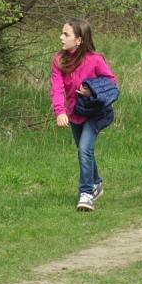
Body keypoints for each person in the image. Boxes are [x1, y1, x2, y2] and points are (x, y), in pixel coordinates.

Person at [51, 19, 117, 212]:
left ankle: (86, 194)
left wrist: (91, 90)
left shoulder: (95, 59)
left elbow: (111, 83)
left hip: (97, 114)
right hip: (75, 113)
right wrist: (60, 111)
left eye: (66, 34)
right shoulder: (59, 60)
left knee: (84, 148)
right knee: (84, 150)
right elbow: (56, 88)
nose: (61, 37)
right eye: (62, 33)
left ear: (79, 40)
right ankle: (96, 183)